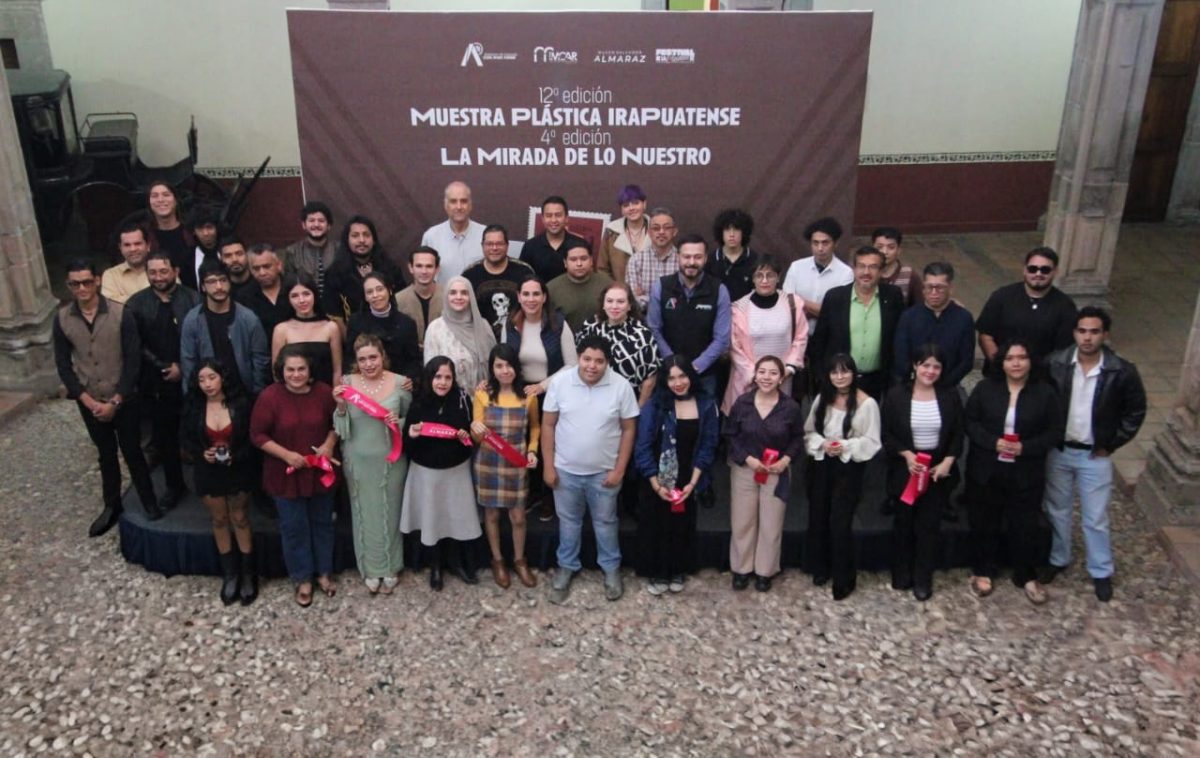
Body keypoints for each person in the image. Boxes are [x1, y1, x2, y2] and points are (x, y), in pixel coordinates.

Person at [1042, 307, 1146, 602]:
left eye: (1094, 332)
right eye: (1082, 331)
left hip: (1094, 455)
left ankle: (1100, 570)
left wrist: (1111, 444)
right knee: (1057, 508)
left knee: (1095, 516)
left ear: (1105, 335)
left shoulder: (1122, 371)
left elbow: (1135, 412)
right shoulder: (1055, 364)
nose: (1087, 338)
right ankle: (1058, 557)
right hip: (1060, 449)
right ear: (1074, 333)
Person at [53, 259, 157, 534]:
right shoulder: (62, 319)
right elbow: (63, 365)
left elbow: (133, 360)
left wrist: (116, 400)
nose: (82, 288)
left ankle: (148, 500)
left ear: (97, 281)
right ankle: (112, 505)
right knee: (106, 454)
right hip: (90, 399)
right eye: (75, 284)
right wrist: (86, 400)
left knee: (133, 451)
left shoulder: (121, 314)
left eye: (87, 282)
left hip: (123, 397)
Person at [542, 335, 640, 604]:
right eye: (587, 359)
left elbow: (629, 429)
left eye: (599, 361)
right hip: (565, 471)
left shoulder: (621, 386)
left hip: (604, 474)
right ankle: (566, 567)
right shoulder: (560, 383)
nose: (592, 366)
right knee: (568, 522)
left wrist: (619, 470)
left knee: (606, 522)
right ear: (578, 358)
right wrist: (548, 466)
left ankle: (611, 570)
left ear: (607, 362)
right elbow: (548, 425)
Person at [965, 339, 1063, 605]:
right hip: (988, 467)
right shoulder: (985, 389)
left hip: (1026, 469)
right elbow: (970, 422)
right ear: (1002, 363)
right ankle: (984, 569)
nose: (1016, 363)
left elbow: (1054, 431)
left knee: (1025, 523)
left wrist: (1026, 447)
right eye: (1010, 358)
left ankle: (1026, 574)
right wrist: (992, 442)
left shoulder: (1045, 393)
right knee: (985, 520)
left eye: (1021, 357)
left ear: (1031, 361)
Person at [250, 346, 339, 607]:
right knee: (294, 528)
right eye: (290, 369)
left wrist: (329, 444)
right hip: (285, 475)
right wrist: (286, 455)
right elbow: (257, 435)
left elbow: (337, 424)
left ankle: (324, 572)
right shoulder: (269, 397)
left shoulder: (324, 393)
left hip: (319, 473)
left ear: (310, 370)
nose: (296, 374)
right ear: (282, 371)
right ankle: (303, 579)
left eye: (301, 369)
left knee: (323, 524)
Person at [881, 345, 964, 601]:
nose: (930, 371)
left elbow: (958, 432)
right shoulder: (896, 395)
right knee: (903, 522)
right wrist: (906, 455)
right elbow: (887, 433)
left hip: (937, 469)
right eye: (925, 365)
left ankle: (923, 577)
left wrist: (948, 461)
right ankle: (901, 572)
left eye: (936, 366)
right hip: (906, 466)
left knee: (929, 526)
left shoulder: (950, 396)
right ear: (915, 366)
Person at [333, 334, 413, 595]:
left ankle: (391, 566)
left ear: (382, 356)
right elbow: (341, 429)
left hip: (390, 460)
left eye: (373, 357)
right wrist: (341, 407)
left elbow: (413, 422)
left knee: (390, 513)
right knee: (363, 514)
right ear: (356, 361)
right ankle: (369, 567)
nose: (368, 364)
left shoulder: (401, 383)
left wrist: (398, 422)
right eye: (362, 359)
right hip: (357, 461)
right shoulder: (346, 384)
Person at [633, 355, 719, 595]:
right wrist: (655, 483)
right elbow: (643, 446)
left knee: (682, 525)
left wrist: (693, 483)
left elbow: (709, 444)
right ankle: (658, 571)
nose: (678, 383)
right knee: (656, 524)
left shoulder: (706, 404)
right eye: (671, 378)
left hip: (688, 477)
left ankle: (678, 568)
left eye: (682, 376)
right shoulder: (655, 405)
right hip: (658, 477)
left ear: (690, 376)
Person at [804, 353, 883, 600]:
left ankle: (843, 578)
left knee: (840, 522)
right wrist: (823, 444)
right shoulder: (822, 398)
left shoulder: (867, 404)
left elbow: (872, 441)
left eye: (845, 371)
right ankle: (820, 567)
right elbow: (808, 432)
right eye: (834, 372)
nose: (840, 377)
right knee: (819, 515)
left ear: (853, 373)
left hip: (849, 467)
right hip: (822, 463)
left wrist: (845, 446)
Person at [126, 250, 201, 512]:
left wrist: (183, 366)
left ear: (176, 272)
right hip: (156, 382)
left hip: (193, 379)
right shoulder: (136, 304)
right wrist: (162, 366)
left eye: (163, 271)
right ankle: (174, 486)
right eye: (153, 272)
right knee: (166, 439)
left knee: (199, 433)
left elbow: (200, 337)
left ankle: (206, 484)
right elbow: (135, 344)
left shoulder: (193, 298)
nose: (158, 277)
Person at [180, 360, 259, 605]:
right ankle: (230, 574)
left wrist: (238, 455)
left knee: (240, 518)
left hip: (239, 470)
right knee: (219, 520)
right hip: (208, 472)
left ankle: (248, 574)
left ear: (223, 377)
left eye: (212, 377)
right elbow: (185, 438)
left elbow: (254, 439)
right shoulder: (193, 407)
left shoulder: (242, 404)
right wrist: (201, 453)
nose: (207, 384)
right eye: (202, 379)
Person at [724, 356, 805, 592]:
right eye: (762, 372)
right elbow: (730, 435)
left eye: (772, 373)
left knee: (771, 523)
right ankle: (741, 569)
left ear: (781, 378)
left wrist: (785, 460)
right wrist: (747, 459)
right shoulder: (742, 403)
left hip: (776, 470)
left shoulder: (790, 407)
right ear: (755, 375)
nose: (766, 377)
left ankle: (765, 571)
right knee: (742, 521)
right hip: (745, 469)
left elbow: (798, 438)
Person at [401, 357, 483, 590]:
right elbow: (407, 441)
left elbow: (471, 438)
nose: (443, 382)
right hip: (426, 473)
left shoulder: (463, 400)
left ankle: (457, 563)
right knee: (432, 519)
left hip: (456, 471)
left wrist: (465, 437)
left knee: (456, 519)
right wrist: (412, 434)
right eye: (438, 376)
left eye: (448, 377)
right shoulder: (418, 402)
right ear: (429, 377)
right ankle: (435, 565)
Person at [470, 344, 541, 589]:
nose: (504, 370)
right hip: (488, 463)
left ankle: (520, 560)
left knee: (518, 516)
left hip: (516, 463)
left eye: (509, 365)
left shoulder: (529, 397)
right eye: (499, 365)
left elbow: (535, 427)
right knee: (491, 514)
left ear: (516, 367)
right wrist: (475, 429)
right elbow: (476, 437)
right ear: (492, 369)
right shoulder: (482, 395)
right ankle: (497, 560)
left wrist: (532, 450)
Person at [807, 246, 906, 401]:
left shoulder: (893, 296)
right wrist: (822, 376)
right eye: (861, 266)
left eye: (873, 267)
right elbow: (819, 341)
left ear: (881, 271)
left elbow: (899, 337)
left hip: (878, 381)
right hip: (839, 380)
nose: (866, 272)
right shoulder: (835, 298)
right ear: (853, 269)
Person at [646, 233, 732, 399]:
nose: (691, 262)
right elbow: (654, 329)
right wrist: (673, 365)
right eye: (686, 257)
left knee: (704, 416)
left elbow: (722, 339)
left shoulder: (719, 290)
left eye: (697, 257)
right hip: (669, 374)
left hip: (705, 375)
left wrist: (695, 367)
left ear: (705, 259)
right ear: (678, 257)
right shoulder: (661, 286)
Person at [723, 257, 808, 414]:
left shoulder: (792, 304)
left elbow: (800, 337)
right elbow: (735, 346)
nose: (764, 280)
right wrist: (757, 375)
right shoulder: (739, 308)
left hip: (783, 379)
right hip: (748, 382)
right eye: (759, 275)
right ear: (753, 279)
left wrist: (788, 368)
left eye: (770, 275)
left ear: (778, 277)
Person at [976, 247, 1077, 377]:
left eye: (1045, 270)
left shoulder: (1065, 306)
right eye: (1032, 269)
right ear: (1024, 270)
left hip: (1041, 379)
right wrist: (1002, 366)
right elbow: (985, 336)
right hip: (999, 375)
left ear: (1055, 272)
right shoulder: (1002, 297)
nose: (1038, 274)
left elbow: (1062, 350)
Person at [180, 259, 271, 396]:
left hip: (243, 393)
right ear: (203, 286)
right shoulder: (193, 320)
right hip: (208, 395)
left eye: (223, 280)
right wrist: (191, 397)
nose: (219, 286)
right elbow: (188, 362)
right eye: (211, 282)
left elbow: (260, 360)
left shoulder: (248, 318)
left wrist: (258, 394)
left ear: (230, 282)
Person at [892, 262, 976, 389]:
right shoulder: (909, 317)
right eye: (929, 287)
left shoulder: (963, 318)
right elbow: (901, 356)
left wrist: (945, 384)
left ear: (950, 288)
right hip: (912, 386)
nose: (934, 292)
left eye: (940, 288)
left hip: (948, 386)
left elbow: (966, 361)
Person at [576, 281, 661, 405]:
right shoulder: (590, 325)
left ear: (629, 305)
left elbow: (650, 379)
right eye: (609, 301)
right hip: (589, 398)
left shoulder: (642, 334)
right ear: (603, 304)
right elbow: (578, 361)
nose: (614, 306)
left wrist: (639, 409)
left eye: (620, 302)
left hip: (627, 402)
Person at [344, 271, 422, 386]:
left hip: (397, 384)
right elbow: (350, 358)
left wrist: (409, 379)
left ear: (389, 290)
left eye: (380, 289)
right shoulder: (356, 322)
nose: (375, 295)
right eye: (369, 292)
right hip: (365, 384)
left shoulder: (407, 323)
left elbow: (413, 361)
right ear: (365, 297)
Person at [502, 277, 578, 395]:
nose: (531, 299)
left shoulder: (559, 324)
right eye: (526, 294)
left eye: (536, 294)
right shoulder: (510, 324)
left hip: (553, 391)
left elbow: (572, 365)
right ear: (519, 297)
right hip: (518, 393)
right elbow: (503, 360)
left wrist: (543, 386)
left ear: (544, 297)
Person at [781, 216, 854, 337]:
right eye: (815, 243)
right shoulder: (796, 267)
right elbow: (787, 302)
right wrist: (820, 310)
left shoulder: (846, 273)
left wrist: (802, 302)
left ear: (835, 243)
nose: (820, 248)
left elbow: (838, 312)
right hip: (796, 334)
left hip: (829, 336)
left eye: (825, 243)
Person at [322, 215, 402, 324]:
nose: (362, 240)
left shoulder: (390, 268)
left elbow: (401, 301)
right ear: (347, 240)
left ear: (374, 240)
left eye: (366, 235)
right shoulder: (335, 273)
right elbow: (334, 314)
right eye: (355, 236)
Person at [423, 276, 496, 389]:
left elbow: (496, 364)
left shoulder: (483, 326)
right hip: (449, 396)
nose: (458, 297)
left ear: (471, 297)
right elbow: (430, 372)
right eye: (453, 293)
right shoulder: (435, 328)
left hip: (483, 395)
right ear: (446, 296)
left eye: (464, 293)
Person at [271, 273, 342, 387]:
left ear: (314, 295)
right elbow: (277, 373)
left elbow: (337, 371)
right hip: (293, 393)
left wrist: (336, 395)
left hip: (326, 393)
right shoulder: (281, 330)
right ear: (288, 299)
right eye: (294, 296)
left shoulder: (331, 327)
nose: (301, 300)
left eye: (306, 294)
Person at [462, 224, 535, 332]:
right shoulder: (469, 275)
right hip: (480, 336)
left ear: (507, 245)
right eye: (489, 244)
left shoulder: (524, 272)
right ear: (482, 246)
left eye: (499, 244)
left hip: (518, 336)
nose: (494, 248)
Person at [421, 181, 485, 282]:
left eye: (463, 201)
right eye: (453, 201)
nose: (459, 207)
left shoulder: (485, 235)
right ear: (446, 205)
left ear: (470, 205)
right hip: (443, 293)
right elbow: (423, 274)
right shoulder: (431, 237)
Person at [520, 195, 591, 283]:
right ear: (543, 219)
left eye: (558, 215)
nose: (553, 220)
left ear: (566, 218)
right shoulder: (530, 246)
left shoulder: (581, 244)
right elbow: (523, 278)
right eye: (549, 215)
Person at [547, 241, 614, 332]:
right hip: (564, 339)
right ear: (565, 263)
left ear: (591, 260)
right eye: (573, 259)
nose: (579, 264)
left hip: (602, 338)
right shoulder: (551, 289)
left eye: (584, 258)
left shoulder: (608, 285)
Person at [237, 243, 294, 340]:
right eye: (256, 269)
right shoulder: (244, 297)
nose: (262, 273)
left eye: (267, 266)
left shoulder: (295, 288)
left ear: (279, 265)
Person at [597, 184, 651, 287]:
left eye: (635, 203)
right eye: (626, 205)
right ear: (621, 209)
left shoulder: (657, 229)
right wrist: (617, 290)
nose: (631, 208)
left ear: (644, 204)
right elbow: (602, 269)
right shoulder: (611, 232)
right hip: (619, 293)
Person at [625, 207, 678, 309]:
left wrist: (645, 297)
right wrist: (669, 301)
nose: (661, 232)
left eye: (667, 228)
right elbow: (634, 300)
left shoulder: (683, 260)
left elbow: (684, 300)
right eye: (656, 228)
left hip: (676, 317)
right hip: (643, 316)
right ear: (649, 232)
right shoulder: (636, 260)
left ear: (674, 231)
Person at [706, 208, 761, 303]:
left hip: (747, 310)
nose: (731, 234)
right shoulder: (710, 260)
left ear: (744, 232)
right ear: (721, 232)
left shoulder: (755, 260)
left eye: (736, 229)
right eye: (727, 229)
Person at [283, 201, 338, 293]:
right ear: (304, 225)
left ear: (329, 226)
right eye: (311, 220)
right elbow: (289, 285)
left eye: (321, 221)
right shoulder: (293, 251)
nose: (316, 225)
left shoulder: (339, 249)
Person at [395, 245, 443, 350]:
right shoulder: (398, 300)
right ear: (410, 268)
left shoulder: (449, 297)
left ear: (437, 269)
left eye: (429, 266)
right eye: (419, 266)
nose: (424, 271)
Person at [144, 181, 192, 271]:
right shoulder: (144, 235)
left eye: (166, 195)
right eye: (154, 196)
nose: (160, 200)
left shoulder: (191, 232)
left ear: (176, 200)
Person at [101, 222, 152, 305]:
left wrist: (126, 301)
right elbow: (111, 305)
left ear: (148, 245)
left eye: (137, 243)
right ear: (120, 248)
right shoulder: (111, 275)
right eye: (127, 245)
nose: (133, 249)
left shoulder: (161, 272)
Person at [873, 227, 920, 307]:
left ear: (899, 250)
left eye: (891, 247)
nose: (884, 252)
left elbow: (918, 307)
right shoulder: (865, 273)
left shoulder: (909, 275)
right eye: (880, 247)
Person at [181, 208, 221, 292]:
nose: (205, 233)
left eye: (209, 227)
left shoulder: (227, 252)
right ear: (194, 231)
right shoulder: (187, 259)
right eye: (200, 228)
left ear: (216, 228)